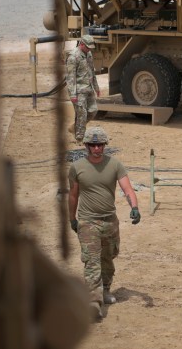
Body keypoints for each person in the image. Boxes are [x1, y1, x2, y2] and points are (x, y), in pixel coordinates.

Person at [68, 126, 141, 321]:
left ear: (105, 145)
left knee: (108, 257)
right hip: (87, 221)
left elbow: (127, 189)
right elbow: (73, 195)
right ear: (87, 146)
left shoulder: (115, 165)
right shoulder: (77, 167)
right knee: (92, 262)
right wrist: (72, 218)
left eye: (100, 144)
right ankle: (94, 302)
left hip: (110, 221)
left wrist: (134, 207)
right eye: (93, 145)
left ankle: (106, 289)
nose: (97, 149)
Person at [66, 34, 100, 144]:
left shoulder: (88, 54)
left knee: (93, 111)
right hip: (78, 90)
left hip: (89, 88)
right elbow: (71, 77)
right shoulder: (73, 57)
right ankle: (79, 138)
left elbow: (92, 72)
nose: (89, 49)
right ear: (81, 44)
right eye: (87, 47)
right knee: (82, 114)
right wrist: (73, 94)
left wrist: (96, 87)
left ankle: (74, 127)